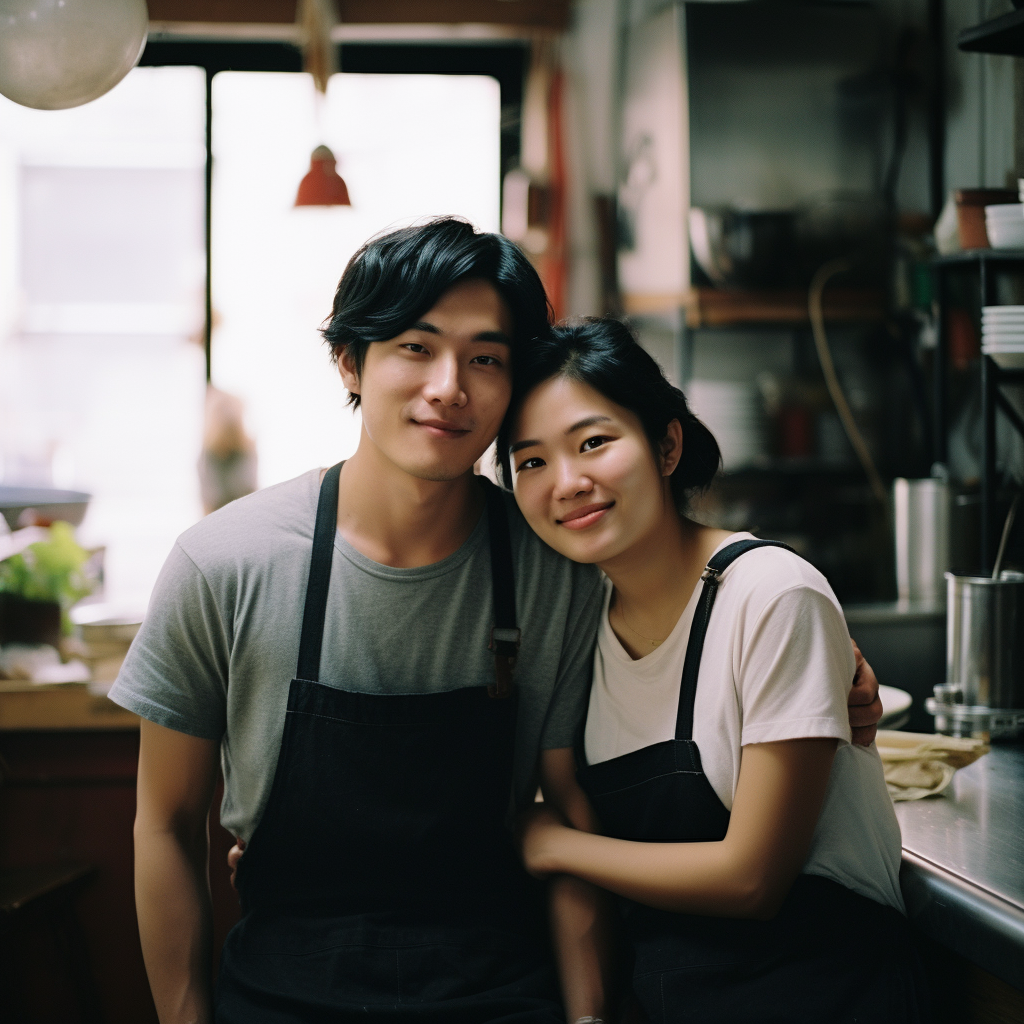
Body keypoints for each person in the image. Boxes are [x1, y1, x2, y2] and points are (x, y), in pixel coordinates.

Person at [110, 217, 883, 1024]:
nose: (450, 385)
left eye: (486, 358)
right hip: (282, 990)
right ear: (349, 359)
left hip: (500, 992)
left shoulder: (554, 563)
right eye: (416, 346)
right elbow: (164, 823)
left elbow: (585, 779)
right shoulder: (222, 564)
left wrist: (835, 664)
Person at [499, 317, 927, 1024]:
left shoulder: (770, 594)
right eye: (532, 462)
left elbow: (753, 878)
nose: (568, 482)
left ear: (666, 444)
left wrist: (556, 845)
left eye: (594, 442)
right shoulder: (576, 624)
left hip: (829, 995)